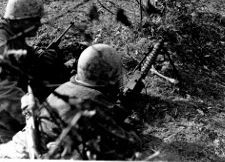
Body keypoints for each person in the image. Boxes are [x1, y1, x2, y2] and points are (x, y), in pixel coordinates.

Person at [0, 43, 141, 160]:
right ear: (110, 77)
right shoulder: (94, 101)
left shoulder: (65, 88)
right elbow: (128, 146)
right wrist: (129, 126)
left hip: (13, 148)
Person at [0, 0, 69, 142]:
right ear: (18, 22)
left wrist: (40, 54)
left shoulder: (12, 34)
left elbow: (25, 51)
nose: (39, 24)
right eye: (34, 20)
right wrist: (36, 120)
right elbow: (5, 91)